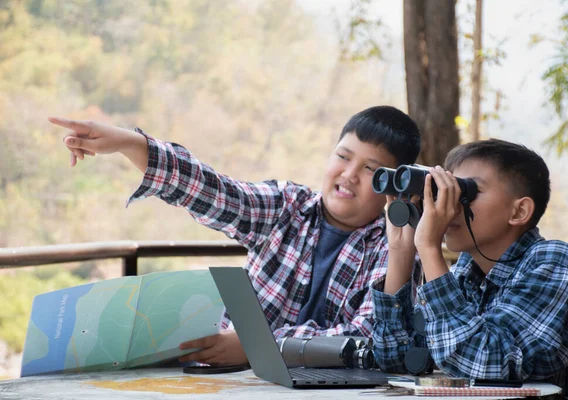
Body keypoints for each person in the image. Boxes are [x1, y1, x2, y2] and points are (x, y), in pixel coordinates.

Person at [49, 105, 421, 366]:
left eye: (371, 169)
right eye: (343, 156)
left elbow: (365, 337)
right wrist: (129, 143)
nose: (349, 173)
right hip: (231, 379)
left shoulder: (397, 246)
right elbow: (216, 193)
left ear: (396, 185)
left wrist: (259, 346)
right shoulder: (286, 205)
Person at [371, 138, 568, 399]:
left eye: (464, 191)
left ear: (519, 211)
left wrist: (430, 248)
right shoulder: (467, 271)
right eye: (444, 190)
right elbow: (396, 357)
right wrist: (401, 251)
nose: (449, 204)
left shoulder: (554, 261)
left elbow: (486, 361)